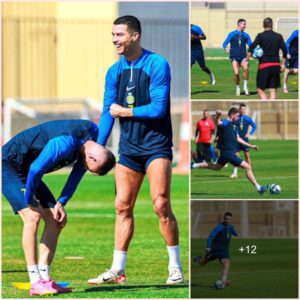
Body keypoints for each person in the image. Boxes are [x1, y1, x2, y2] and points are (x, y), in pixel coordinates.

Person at [88, 15, 183, 285]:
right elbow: (108, 111)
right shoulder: (113, 71)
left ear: (135, 35)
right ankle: (117, 269)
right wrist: (99, 145)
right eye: (112, 35)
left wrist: (125, 111)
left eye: (119, 34)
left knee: (161, 204)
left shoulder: (157, 64)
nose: (114, 39)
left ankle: (174, 267)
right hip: (128, 149)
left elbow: (158, 108)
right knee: (122, 206)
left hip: (156, 147)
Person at [2, 119, 116, 296]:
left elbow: (76, 174)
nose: (87, 170)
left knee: (56, 219)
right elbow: (36, 169)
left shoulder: (91, 137)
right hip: (8, 164)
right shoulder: (64, 143)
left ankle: (45, 279)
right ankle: (35, 281)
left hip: (27, 170)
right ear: (93, 157)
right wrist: (29, 198)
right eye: (90, 168)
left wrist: (61, 203)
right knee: (32, 216)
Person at [192, 108, 269, 194]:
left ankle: (194, 165)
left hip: (225, 153)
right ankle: (259, 188)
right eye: (237, 116)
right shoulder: (226, 122)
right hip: (228, 153)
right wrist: (218, 115)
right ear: (232, 116)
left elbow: (238, 139)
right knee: (247, 167)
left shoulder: (235, 126)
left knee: (216, 167)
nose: (238, 118)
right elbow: (217, 122)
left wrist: (251, 146)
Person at [193, 212, 238, 289]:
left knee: (227, 264)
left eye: (229, 219)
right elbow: (210, 237)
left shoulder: (231, 227)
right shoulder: (219, 227)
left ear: (231, 220)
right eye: (226, 219)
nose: (227, 221)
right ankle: (199, 259)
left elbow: (234, 232)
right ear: (224, 219)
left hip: (224, 251)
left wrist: (235, 233)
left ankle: (223, 283)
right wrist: (208, 247)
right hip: (215, 250)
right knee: (202, 263)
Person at [247, 17, 287, 99]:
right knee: (273, 90)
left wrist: (247, 59)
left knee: (260, 89)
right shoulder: (278, 36)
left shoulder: (260, 36)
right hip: (276, 66)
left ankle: (265, 102)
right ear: (272, 25)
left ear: (263, 25)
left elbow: (251, 47)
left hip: (264, 66)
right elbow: (285, 50)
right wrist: (283, 64)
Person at [223, 19, 252, 96]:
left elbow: (251, 45)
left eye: (245, 24)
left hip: (243, 57)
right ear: (239, 25)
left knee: (246, 68)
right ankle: (238, 88)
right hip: (234, 57)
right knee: (236, 73)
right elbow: (224, 43)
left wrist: (252, 52)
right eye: (244, 24)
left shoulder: (246, 35)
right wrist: (226, 48)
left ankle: (245, 87)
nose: (245, 26)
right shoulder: (232, 34)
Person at [230, 103, 256, 178]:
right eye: (241, 109)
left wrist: (250, 133)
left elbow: (254, 126)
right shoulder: (236, 118)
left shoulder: (247, 118)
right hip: (237, 140)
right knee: (236, 157)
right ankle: (235, 173)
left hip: (245, 140)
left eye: (244, 109)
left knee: (247, 156)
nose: (243, 110)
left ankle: (249, 170)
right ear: (239, 109)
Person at [283, 29, 298, 94]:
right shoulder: (295, 33)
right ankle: (284, 86)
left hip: (297, 55)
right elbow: (286, 42)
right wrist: (287, 53)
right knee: (287, 70)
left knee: (296, 71)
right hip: (290, 55)